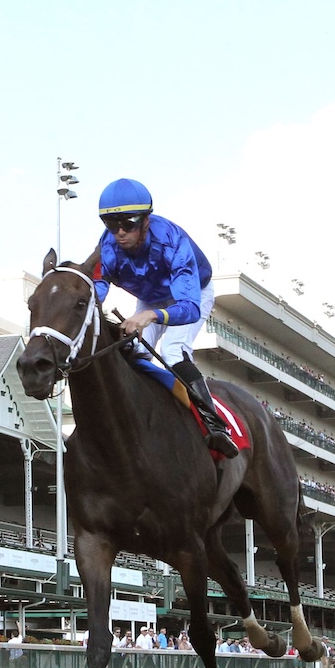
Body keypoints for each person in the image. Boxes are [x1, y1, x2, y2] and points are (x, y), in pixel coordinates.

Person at [93, 178, 237, 458]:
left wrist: (151, 315)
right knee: (132, 351)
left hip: (192, 294)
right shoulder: (108, 245)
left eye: (129, 223)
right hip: (151, 296)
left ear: (146, 221)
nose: (120, 232)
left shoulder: (172, 241)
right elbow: (99, 285)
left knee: (172, 351)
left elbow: (189, 308)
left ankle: (215, 425)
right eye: (111, 224)